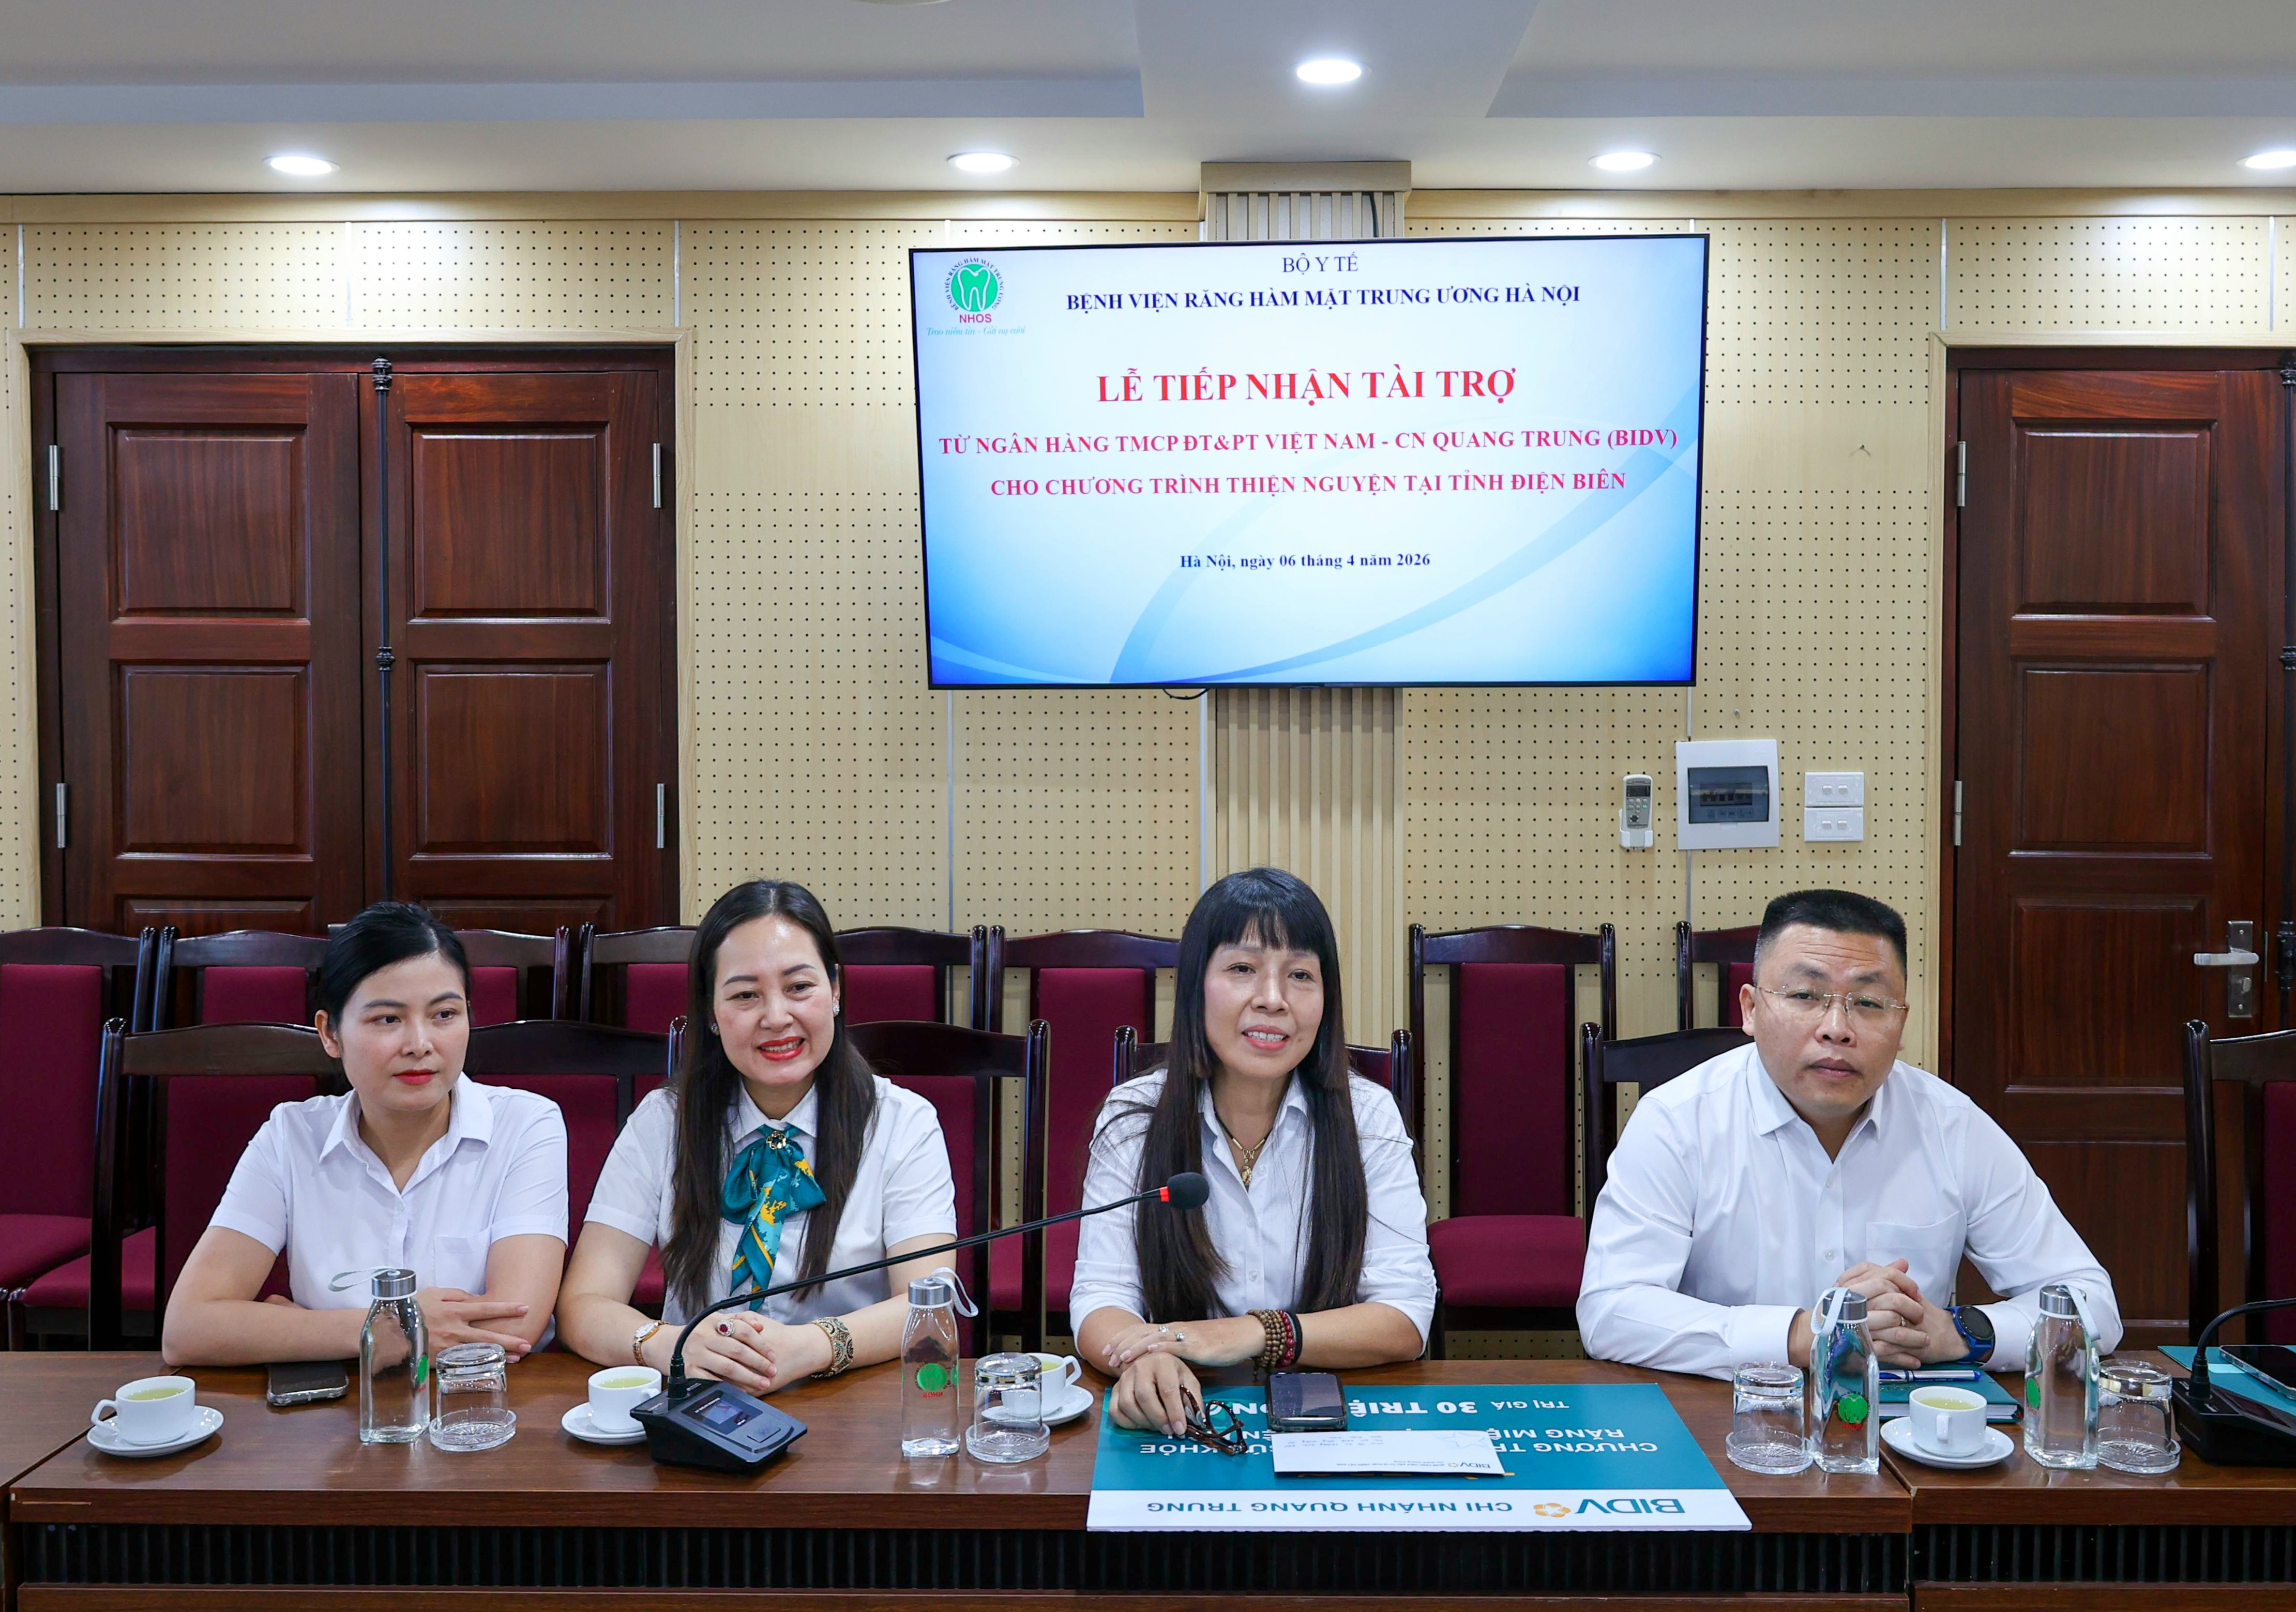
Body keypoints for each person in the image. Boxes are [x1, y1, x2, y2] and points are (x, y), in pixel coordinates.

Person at [1577, 887, 2121, 1379]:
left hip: (1903, 1427)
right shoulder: (1676, 1121)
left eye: (1868, 1003)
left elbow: (2093, 1304)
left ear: (1901, 1024)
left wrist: (1962, 1332)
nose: (1836, 1028)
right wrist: (1803, 1335)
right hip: (1728, 1417)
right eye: (1805, 995)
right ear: (1751, 1009)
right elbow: (1611, 1310)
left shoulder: (1953, 1125)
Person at [1071, 866, 1435, 1435]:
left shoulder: (1368, 1116)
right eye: (1242, 969)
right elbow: (1102, 1294)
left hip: (1332, 1414)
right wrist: (1146, 1357)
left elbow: (1405, 1316)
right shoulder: (1134, 1116)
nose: (1272, 999)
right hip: (1188, 1416)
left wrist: (1250, 1334)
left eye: (1300, 975)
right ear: (1196, 986)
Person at [558, 880, 957, 1393]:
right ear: (711, 1011)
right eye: (746, 995)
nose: (776, 1017)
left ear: (835, 990)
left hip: (852, 1400)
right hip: (700, 1401)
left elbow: (929, 1306)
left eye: (799, 987)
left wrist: (812, 1346)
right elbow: (583, 1305)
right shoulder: (663, 1121)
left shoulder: (903, 1122)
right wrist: (671, 1345)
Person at [162, 904, 569, 1367]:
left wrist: (300, 1330)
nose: (420, 1044)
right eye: (388, 1019)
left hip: (482, 1400)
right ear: (330, 1034)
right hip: (336, 1405)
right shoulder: (290, 1136)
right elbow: (188, 1328)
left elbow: (512, 1330)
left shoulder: (525, 1124)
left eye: (444, 1014)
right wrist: (381, 1331)